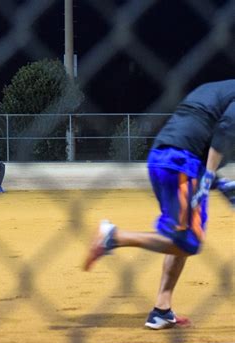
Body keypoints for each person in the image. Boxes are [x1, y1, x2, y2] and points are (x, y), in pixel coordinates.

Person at [83, 80, 235, 330]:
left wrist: (218, 183)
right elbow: (226, 128)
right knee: (187, 241)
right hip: (180, 162)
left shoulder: (216, 90)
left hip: (165, 159)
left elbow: (198, 135)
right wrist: (209, 177)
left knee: (181, 235)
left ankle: (162, 309)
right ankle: (113, 236)